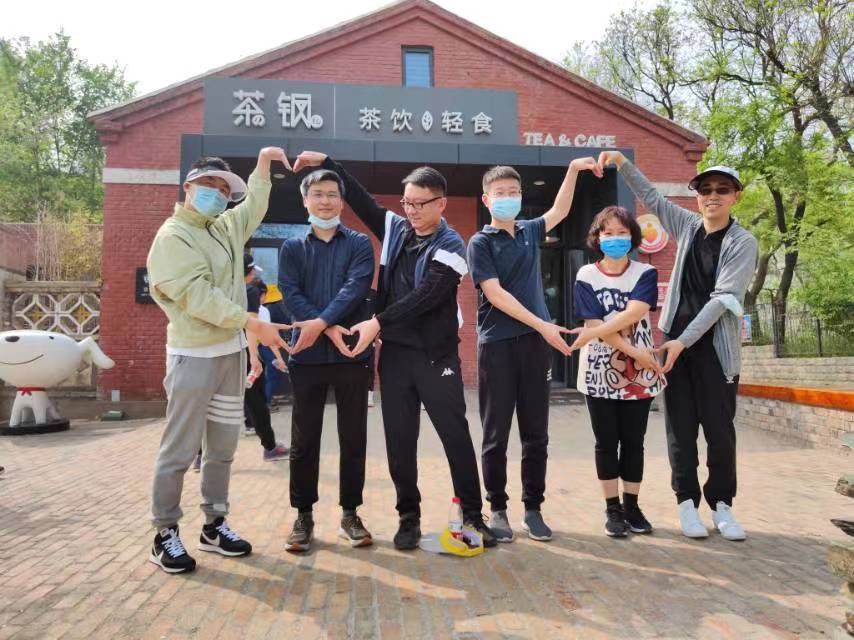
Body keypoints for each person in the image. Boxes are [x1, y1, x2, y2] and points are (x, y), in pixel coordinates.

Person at [290, 150, 497, 550]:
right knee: (400, 441)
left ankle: (473, 516)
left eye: (420, 204)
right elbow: (360, 198)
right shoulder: (397, 229)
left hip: (436, 357)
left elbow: (427, 295)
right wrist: (330, 162)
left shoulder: (453, 244)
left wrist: (378, 322)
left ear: (441, 204)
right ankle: (408, 518)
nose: (412, 211)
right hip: (396, 357)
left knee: (455, 436)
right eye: (407, 203)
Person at [572, 150, 758, 541]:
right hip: (673, 346)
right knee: (680, 431)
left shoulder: (743, 242)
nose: (713, 196)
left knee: (719, 432)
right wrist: (622, 163)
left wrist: (682, 342)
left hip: (714, 349)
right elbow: (653, 199)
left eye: (722, 189)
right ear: (697, 197)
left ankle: (722, 506)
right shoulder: (688, 226)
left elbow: (723, 299)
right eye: (706, 189)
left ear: (735, 196)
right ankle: (686, 503)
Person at [146, 148, 291, 574]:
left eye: (224, 190)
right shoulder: (173, 236)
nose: (216, 194)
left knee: (222, 448)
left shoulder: (224, 227)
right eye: (208, 185)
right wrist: (250, 321)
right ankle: (164, 532)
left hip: (229, 355)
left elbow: (255, 205)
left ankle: (214, 524)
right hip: (193, 356)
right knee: (179, 449)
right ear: (188, 187)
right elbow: (197, 296)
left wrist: (263, 163)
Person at [466, 158, 600, 542]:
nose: (507, 198)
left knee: (536, 433)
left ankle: (533, 508)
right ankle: (498, 508)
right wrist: (543, 324)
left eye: (514, 192)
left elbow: (561, 210)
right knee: (496, 433)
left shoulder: (529, 230)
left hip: (535, 348)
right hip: (498, 345)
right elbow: (495, 294)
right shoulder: (480, 243)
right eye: (500, 193)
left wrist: (571, 170)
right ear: (487, 199)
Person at [278, 168, 376, 552]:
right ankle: (303, 516)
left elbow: (356, 288)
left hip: (351, 353)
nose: (325, 200)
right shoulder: (292, 248)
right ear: (305, 200)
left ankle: (351, 513)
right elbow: (290, 292)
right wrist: (325, 328)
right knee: (304, 440)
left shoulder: (359, 244)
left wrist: (322, 324)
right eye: (317, 194)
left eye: (332, 194)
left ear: (342, 200)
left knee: (353, 438)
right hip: (307, 356)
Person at [571, 206, 666, 537]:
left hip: (639, 375)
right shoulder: (586, 275)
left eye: (622, 233)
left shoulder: (645, 272)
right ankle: (612, 509)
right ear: (597, 238)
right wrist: (634, 350)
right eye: (608, 233)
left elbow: (635, 312)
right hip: (600, 371)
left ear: (633, 236)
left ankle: (632, 506)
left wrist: (597, 331)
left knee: (634, 442)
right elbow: (592, 321)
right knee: (606, 442)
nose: (615, 239)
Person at [243, 257, 289, 462]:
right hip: (244, 354)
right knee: (257, 402)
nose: (253, 274)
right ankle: (270, 448)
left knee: (211, 404)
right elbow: (252, 326)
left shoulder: (222, 290)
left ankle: (200, 454)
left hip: (220, 354)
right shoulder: (250, 292)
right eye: (252, 271)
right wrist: (254, 357)